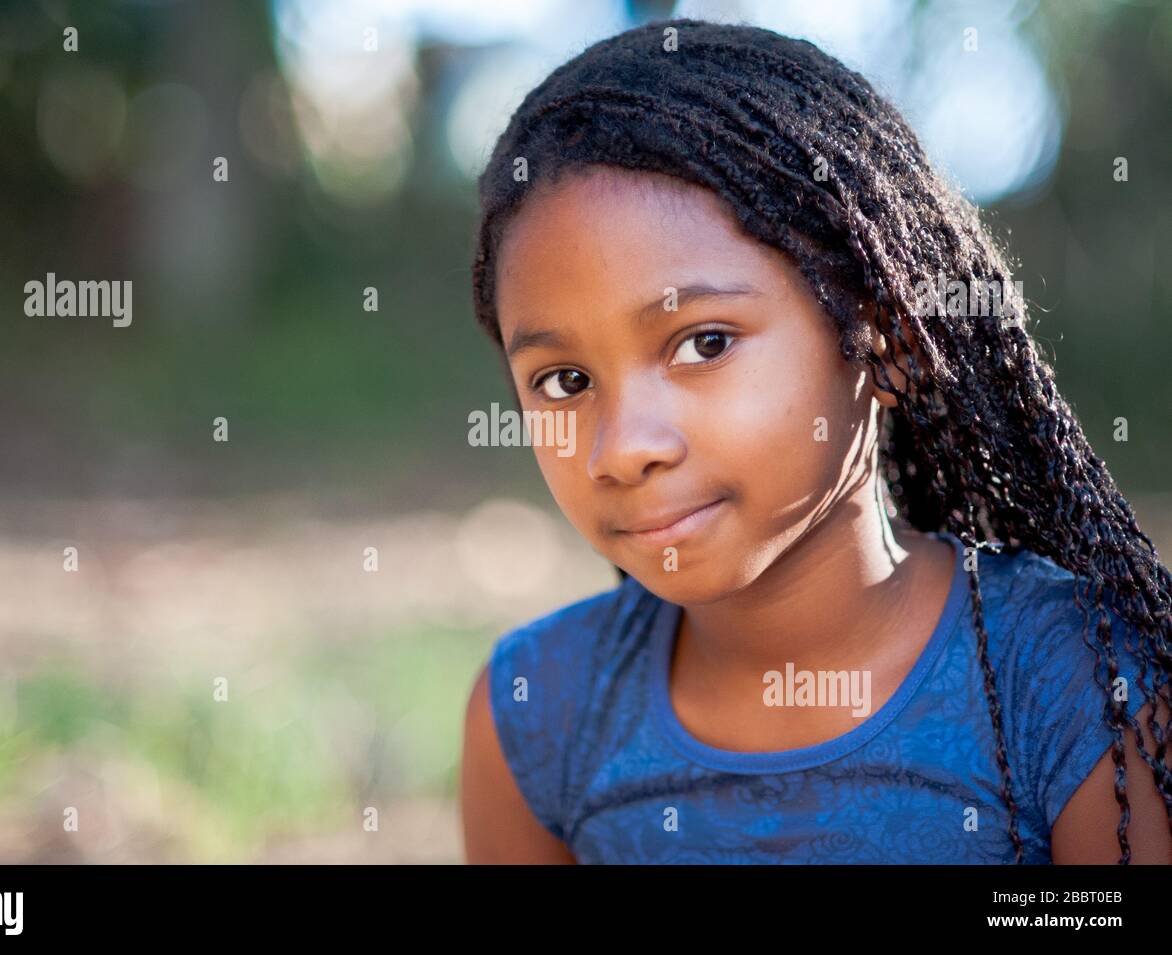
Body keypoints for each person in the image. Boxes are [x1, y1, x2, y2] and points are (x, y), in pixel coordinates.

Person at [458, 19, 1171, 864]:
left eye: (704, 343)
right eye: (565, 381)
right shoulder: (536, 714)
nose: (622, 448)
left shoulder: (1073, 680)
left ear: (890, 337)